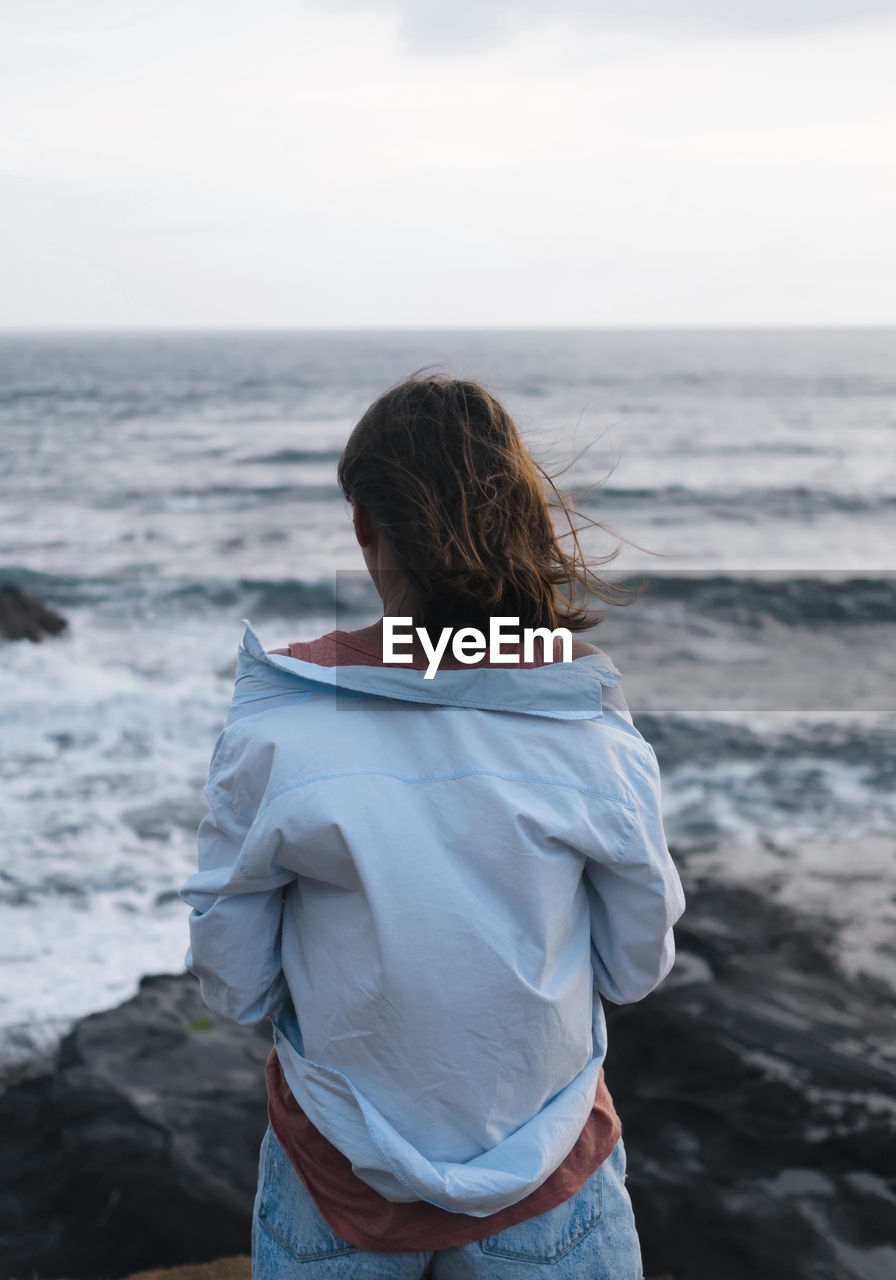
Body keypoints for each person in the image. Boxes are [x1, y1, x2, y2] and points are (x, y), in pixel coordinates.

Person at [181, 373, 685, 1279]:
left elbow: (234, 986)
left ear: (367, 527)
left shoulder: (280, 730)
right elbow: (637, 967)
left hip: (335, 1175)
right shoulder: (591, 731)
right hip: (547, 1174)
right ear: (521, 524)